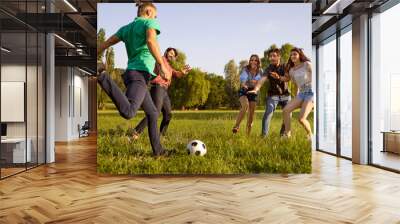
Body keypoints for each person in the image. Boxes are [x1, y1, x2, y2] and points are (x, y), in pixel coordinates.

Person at [96, 3, 172, 156]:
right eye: (155, 16)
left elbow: (108, 42)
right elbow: (151, 41)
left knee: (152, 113)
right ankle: (102, 76)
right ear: (149, 11)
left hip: (135, 74)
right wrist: (161, 64)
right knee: (129, 112)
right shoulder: (149, 22)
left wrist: (95, 53)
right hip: (139, 74)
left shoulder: (127, 28)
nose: (156, 19)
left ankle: (159, 151)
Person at [129, 48, 191, 140]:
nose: (172, 55)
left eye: (173, 55)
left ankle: (161, 136)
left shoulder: (169, 66)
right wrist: (161, 69)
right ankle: (136, 132)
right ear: (166, 52)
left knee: (168, 114)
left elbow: (176, 74)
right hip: (157, 87)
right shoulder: (160, 60)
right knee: (155, 112)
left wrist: (182, 72)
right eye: (171, 53)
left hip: (164, 90)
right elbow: (158, 66)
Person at [252, 48, 313, 140]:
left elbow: (317, 76)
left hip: (310, 93)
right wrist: (256, 89)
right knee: (286, 111)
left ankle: (310, 135)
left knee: (301, 119)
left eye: (295, 54)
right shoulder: (291, 70)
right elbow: (293, 82)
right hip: (298, 94)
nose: (293, 56)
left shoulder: (306, 65)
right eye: (291, 54)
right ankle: (287, 135)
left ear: (300, 55)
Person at [252, 48, 291, 137]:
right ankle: (264, 136)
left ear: (279, 57)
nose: (271, 58)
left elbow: (288, 78)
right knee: (268, 113)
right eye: (270, 56)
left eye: (274, 56)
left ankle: (283, 135)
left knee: (288, 115)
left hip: (285, 95)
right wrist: (256, 89)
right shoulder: (268, 69)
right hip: (273, 95)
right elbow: (262, 79)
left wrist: (278, 77)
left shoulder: (285, 66)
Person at [232, 54, 262, 135]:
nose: (253, 61)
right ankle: (236, 126)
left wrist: (254, 83)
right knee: (245, 106)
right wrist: (245, 85)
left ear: (258, 62)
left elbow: (258, 82)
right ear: (249, 61)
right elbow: (243, 81)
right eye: (252, 60)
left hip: (253, 92)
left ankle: (247, 135)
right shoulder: (246, 69)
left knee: (251, 114)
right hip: (244, 90)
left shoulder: (260, 71)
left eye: (255, 60)